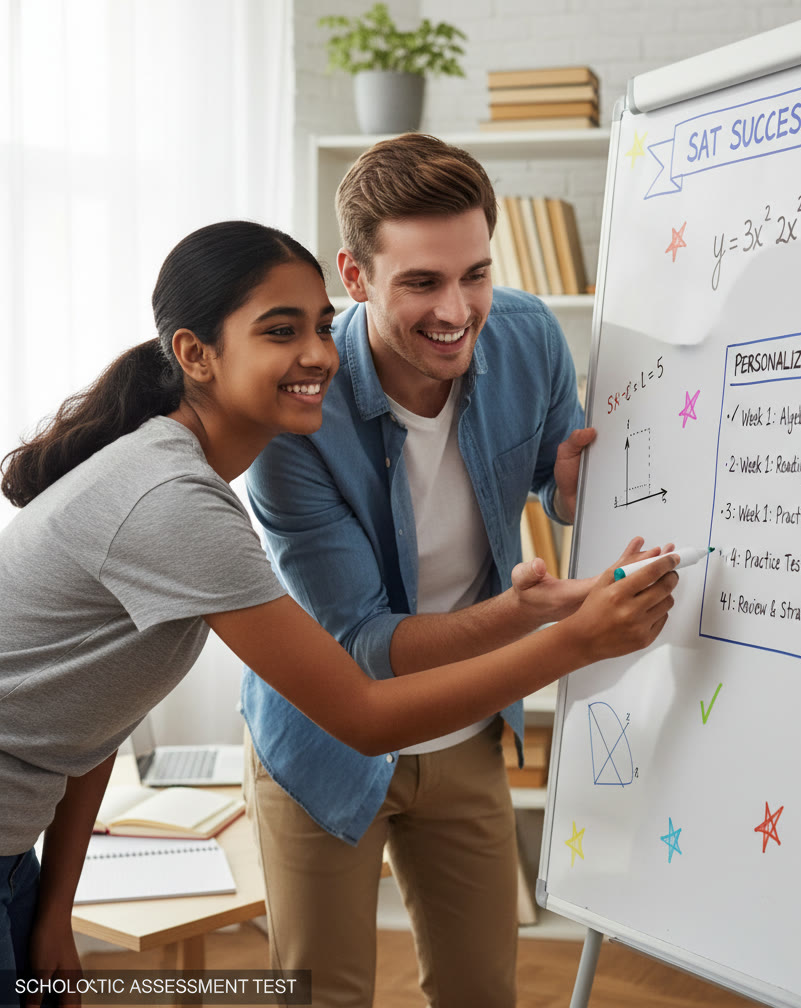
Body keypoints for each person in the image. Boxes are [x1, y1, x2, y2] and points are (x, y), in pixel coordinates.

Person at [0, 219, 679, 1008]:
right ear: (194, 355)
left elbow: (97, 722)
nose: (320, 353)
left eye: (322, 326)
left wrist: (55, 909)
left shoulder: (174, 475)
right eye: (280, 331)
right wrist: (574, 640)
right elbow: (361, 711)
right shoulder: (175, 504)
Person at [242, 135, 658, 1008]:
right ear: (353, 277)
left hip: (465, 731)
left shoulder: (527, 336)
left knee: (483, 993)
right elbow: (363, 647)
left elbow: (558, 477)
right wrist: (534, 619)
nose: (458, 309)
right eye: (423, 282)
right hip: (323, 743)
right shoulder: (295, 422)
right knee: (324, 997)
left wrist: (580, 491)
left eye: (475, 274)